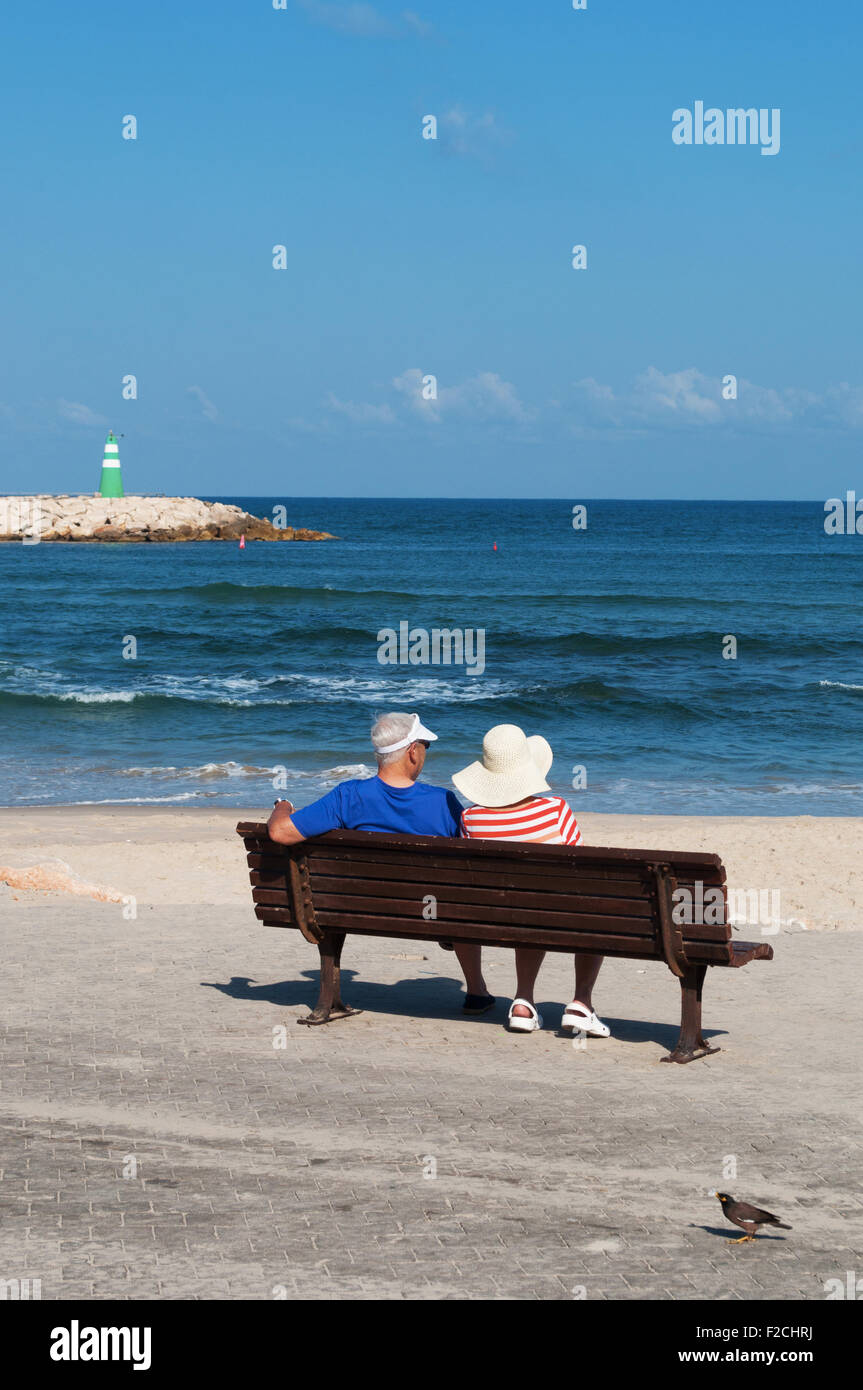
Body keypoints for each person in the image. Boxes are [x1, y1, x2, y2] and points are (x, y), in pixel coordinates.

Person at [267, 711, 494, 1015]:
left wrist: (282, 806)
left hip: (359, 909)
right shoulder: (443, 801)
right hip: (435, 911)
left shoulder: (347, 796)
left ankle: (327, 998)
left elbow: (280, 832)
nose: (426, 751)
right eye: (426, 744)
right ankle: (477, 992)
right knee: (459, 897)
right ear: (412, 752)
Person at [452, 723, 610, 1037]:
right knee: (594, 909)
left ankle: (523, 1001)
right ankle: (581, 1002)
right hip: (550, 914)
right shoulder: (556, 810)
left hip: (493, 916)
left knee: (524, 901)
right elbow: (580, 872)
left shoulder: (470, 817)